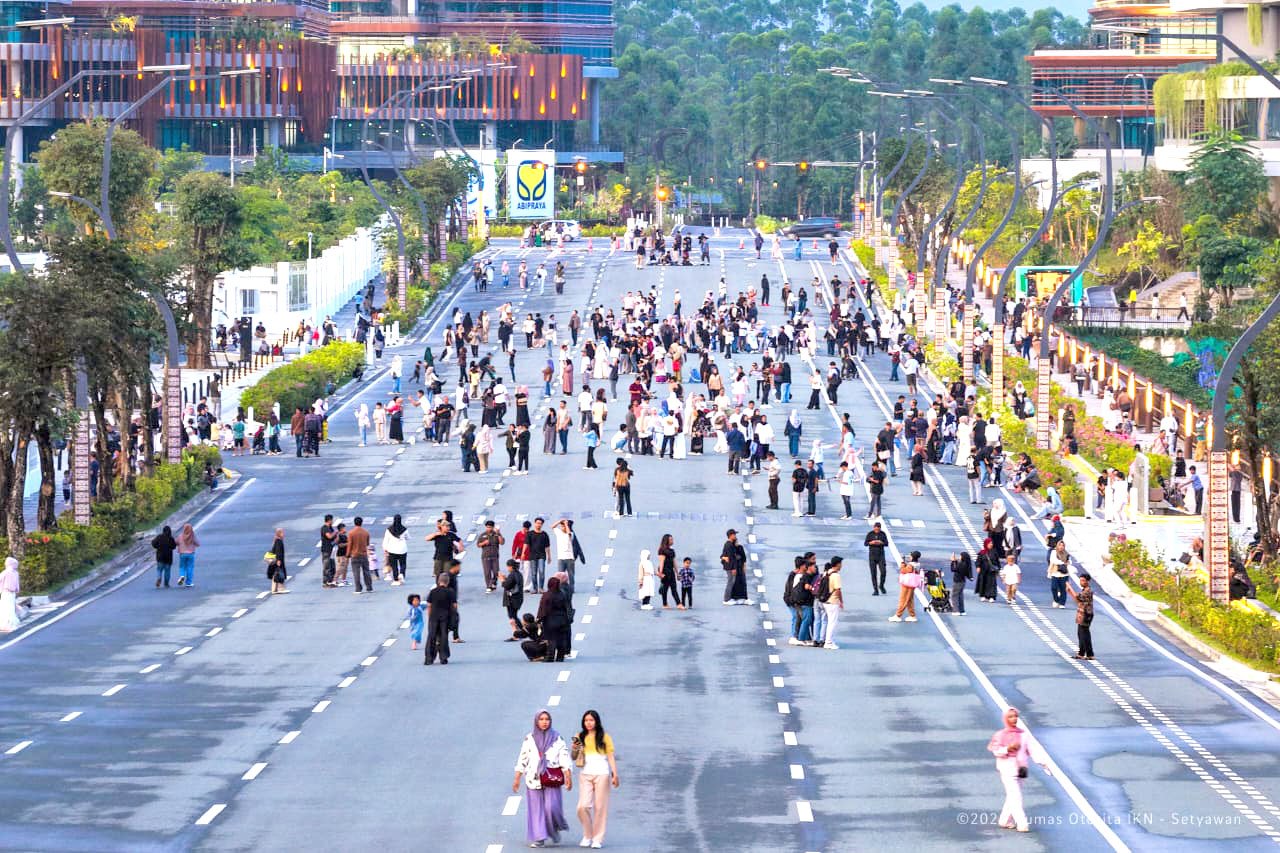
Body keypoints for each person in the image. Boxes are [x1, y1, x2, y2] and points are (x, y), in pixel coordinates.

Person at [513, 709, 573, 848]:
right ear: (536, 721)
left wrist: (568, 775)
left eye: (547, 719)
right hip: (533, 778)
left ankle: (554, 829)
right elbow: (523, 758)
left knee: (551, 808)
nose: (544, 722)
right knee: (536, 810)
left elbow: (564, 756)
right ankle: (539, 837)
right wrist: (517, 778)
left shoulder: (557, 738)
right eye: (541, 719)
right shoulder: (530, 738)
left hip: (551, 777)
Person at [987, 707, 1050, 833]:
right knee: (1016, 797)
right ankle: (1022, 823)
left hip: (1021, 770)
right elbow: (996, 751)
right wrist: (1008, 749)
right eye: (1010, 717)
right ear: (1005, 719)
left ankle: (1004, 820)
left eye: (1015, 716)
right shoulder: (1000, 735)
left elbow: (1033, 750)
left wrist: (1043, 763)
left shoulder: (1023, 735)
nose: (1014, 719)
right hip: (1007, 769)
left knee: (1012, 796)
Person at [573, 709, 619, 849]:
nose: (589, 723)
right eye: (586, 720)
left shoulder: (605, 737)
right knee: (582, 806)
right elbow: (574, 757)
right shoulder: (579, 736)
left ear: (596, 721)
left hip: (602, 774)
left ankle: (597, 839)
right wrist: (574, 748)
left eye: (591, 720)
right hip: (585, 774)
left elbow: (610, 756)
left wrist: (614, 774)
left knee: (600, 807)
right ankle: (587, 835)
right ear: (583, 722)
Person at [424, 572, 456, 664]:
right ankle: (443, 657)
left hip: (434, 617)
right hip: (445, 617)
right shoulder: (450, 592)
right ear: (448, 582)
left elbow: (429, 605)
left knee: (431, 636)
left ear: (438, 581)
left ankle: (429, 658)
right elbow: (454, 606)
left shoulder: (433, 592)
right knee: (443, 637)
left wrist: (429, 616)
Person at [538, 576, 572, 661]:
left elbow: (543, 609)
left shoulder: (547, 595)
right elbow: (566, 607)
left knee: (551, 639)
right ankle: (560, 657)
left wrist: (539, 619)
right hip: (562, 619)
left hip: (550, 620)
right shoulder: (562, 594)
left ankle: (550, 657)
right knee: (561, 638)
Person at [1068, 572, 1096, 660]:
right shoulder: (1084, 590)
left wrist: (1070, 588)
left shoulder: (1088, 591)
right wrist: (1069, 591)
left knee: (1085, 634)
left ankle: (1090, 654)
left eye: (1083, 580)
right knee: (1081, 634)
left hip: (1086, 614)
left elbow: (1078, 597)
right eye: (1080, 580)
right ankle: (1081, 653)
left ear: (1088, 581)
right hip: (1082, 613)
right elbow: (1078, 600)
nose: (1081, 582)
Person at [888, 552, 920, 622]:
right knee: (909, 600)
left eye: (910, 556)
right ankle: (912, 616)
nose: (909, 557)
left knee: (903, 599)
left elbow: (903, 570)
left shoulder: (910, 565)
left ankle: (898, 615)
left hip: (907, 584)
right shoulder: (917, 564)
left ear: (912, 557)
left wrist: (902, 564)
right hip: (912, 584)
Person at [819, 556, 843, 649]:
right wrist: (840, 601)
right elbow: (838, 590)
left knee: (827, 621)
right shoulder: (836, 575)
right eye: (840, 563)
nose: (841, 566)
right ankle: (828, 642)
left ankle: (827, 640)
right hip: (832, 601)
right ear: (837, 564)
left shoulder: (827, 573)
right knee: (832, 623)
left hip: (824, 600)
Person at [720, 529, 750, 605]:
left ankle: (729, 598)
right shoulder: (729, 545)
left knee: (732, 582)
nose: (735, 536)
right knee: (730, 582)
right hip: (730, 567)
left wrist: (723, 558)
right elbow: (731, 558)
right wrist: (733, 568)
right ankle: (726, 599)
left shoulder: (729, 544)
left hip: (730, 567)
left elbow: (724, 555)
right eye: (734, 534)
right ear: (731, 535)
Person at [348, 516, 373, 594]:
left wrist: (348, 554)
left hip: (355, 555)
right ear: (362, 523)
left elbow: (350, 544)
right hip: (364, 554)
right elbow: (367, 544)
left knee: (356, 572)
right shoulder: (366, 532)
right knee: (366, 571)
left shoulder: (351, 533)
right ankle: (369, 587)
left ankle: (358, 589)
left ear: (354, 523)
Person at [383, 515, 409, 585]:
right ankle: (402, 574)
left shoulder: (389, 529)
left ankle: (396, 580)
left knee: (394, 565)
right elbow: (408, 537)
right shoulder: (404, 529)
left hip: (392, 550)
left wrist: (385, 548)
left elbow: (386, 540)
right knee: (403, 564)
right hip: (402, 549)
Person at [864, 522, 888, 595]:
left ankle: (881, 585)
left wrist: (881, 542)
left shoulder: (883, 534)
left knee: (883, 572)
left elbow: (886, 544)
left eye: (878, 528)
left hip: (881, 556)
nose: (877, 529)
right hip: (872, 556)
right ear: (874, 527)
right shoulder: (870, 534)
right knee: (873, 574)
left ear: (880, 528)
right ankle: (875, 590)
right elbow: (865, 543)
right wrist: (871, 543)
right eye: (875, 528)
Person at [0, 556, 20, 632]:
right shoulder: (9, 573)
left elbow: (17, 582)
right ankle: (7, 624)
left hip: (9, 592)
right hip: (8, 592)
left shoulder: (11, 573)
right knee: (8, 608)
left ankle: (8, 624)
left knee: (8, 608)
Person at [176, 523, 200, 587]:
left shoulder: (180, 536)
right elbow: (198, 544)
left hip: (182, 554)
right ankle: (189, 582)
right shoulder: (192, 536)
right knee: (190, 568)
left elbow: (176, 543)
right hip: (191, 554)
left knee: (182, 567)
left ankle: (182, 576)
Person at [1048, 541, 1070, 608]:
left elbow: (1069, 561)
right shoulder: (1054, 552)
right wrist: (1063, 562)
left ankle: (1062, 603)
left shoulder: (1066, 553)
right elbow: (1053, 560)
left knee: (1063, 588)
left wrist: (1067, 563)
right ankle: (1056, 600)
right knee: (1054, 587)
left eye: (1062, 545)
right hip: (1055, 572)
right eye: (1060, 545)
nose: (1061, 547)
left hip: (1064, 573)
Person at [266, 528, 288, 594]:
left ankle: (274, 589)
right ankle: (280, 588)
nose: (284, 534)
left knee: (275, 574)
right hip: (278, 560)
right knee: (279, 573)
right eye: (282, 533)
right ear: (279, 534)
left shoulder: (276, 541)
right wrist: (278, 560)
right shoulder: (278, 541)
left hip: (276, 560)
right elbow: (278, 552)